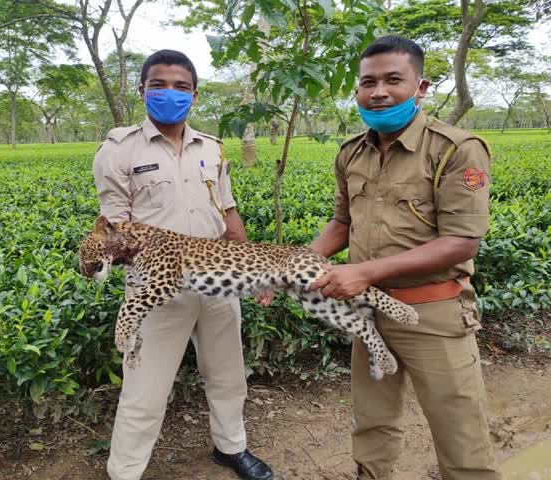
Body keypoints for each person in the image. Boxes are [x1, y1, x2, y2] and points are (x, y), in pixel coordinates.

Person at [308, 35, 500, 480]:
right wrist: (291, 265)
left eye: (393, 80)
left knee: (460, 433)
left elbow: (462, 241)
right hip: (368, 309)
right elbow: (342, 224)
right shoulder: (351, 152)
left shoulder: (455, 148)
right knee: (372, 422)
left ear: (421, 86)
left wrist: (364, 272)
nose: (378, 92)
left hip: (434, 314)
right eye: (367, 82)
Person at [92, 49, 274, 480]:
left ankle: (231, 449)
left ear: (194, 95)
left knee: (228, 374)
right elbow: (116, 229)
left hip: (216, 282)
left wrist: (256, 269)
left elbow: (228, 213)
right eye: (158, 84)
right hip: (156, 288)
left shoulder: (211, 147)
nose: (169, 93)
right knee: (145, 388)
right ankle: (126, 472)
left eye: (181, 86)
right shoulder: (118, 151)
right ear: (142, 90)